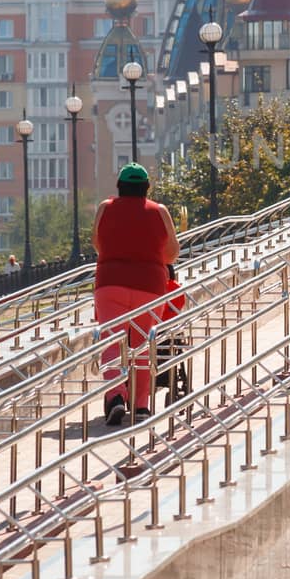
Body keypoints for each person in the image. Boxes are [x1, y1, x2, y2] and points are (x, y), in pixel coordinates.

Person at [93, 163, 180, 425]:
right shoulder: (160, 211)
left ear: (119, 187)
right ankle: (141, 405)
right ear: (146, 188)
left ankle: (116, 396)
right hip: (149, 287)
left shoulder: (105, 208)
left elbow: (97, 243)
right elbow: (172, 253)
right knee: (142, 345)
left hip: (110, 284)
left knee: (111, 342)